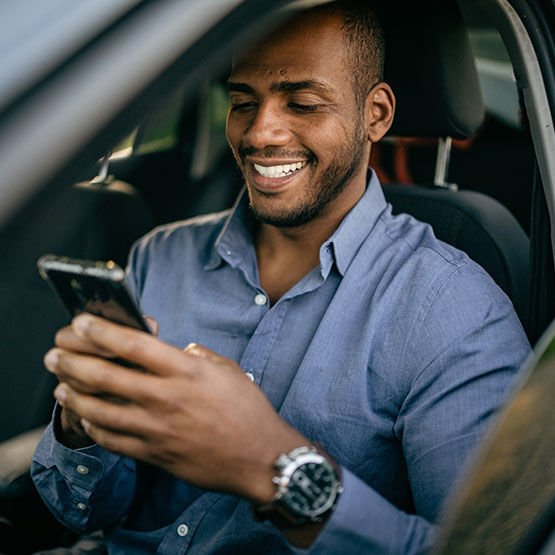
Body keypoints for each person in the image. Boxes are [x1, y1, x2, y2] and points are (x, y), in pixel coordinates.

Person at [32, 2, 530, 553]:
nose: (261, 132)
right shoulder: (161, 256)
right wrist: (81, 427)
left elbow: (484, 548)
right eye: (243, 101)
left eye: (303, 103)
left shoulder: (452, 309)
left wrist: (274, 468)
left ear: (377, 114)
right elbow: (81, 511)